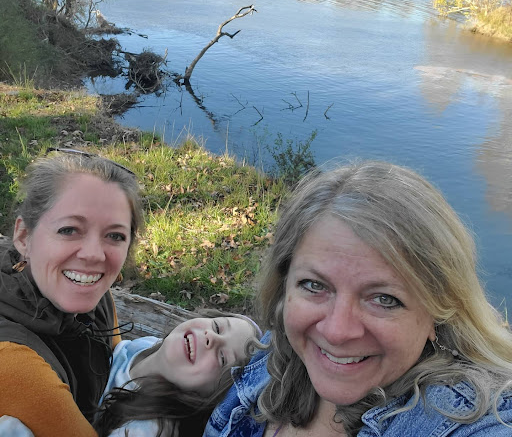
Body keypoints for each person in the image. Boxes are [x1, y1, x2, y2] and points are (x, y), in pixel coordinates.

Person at [204, 161, 512, 437]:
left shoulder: (472, 420)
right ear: (285, 286)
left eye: (384, 299)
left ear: (438, 312)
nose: (336, 332)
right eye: (314, 285)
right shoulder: (274, 356)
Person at [0, 148, 144, 437]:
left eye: (115, 236)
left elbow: (117, 372)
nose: (94, 255)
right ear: (24, 237)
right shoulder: (14, 363)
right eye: (69, 230)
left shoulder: (96, 298)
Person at [95, 311, 263, 437]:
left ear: (209, 398)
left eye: (222, 358)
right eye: (217, 327)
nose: (211, 337)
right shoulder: (150, 344)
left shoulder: (146, 429)